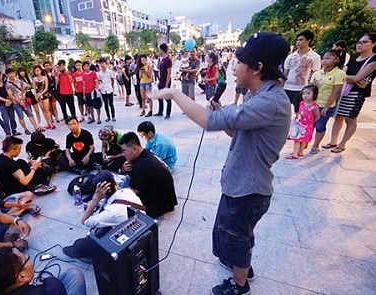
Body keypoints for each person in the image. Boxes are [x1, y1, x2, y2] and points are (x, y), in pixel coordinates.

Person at [156, 32, 291, 295]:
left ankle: (240, 285)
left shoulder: (270, 101)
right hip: (239, 183)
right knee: (230, 234)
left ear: (257, 67)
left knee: (238, 237)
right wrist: (222, 114)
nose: (233, 67)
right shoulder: (260, 94)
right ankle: (242, 265)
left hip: (249, 189)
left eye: (238, 62)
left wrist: (175, 94)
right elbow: (235, 130)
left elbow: (209, 122)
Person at [62, 170, 144, 259]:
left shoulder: (111, 212)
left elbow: (84, 221)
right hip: (139, 231)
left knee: (78, 245)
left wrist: (96, 199)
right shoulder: (127, 191)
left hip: (125, 244)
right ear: (115, 183)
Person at [326, 33, 376, 153]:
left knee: (350, 119)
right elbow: (343, 75)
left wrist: (345, 77)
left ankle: (342, 144)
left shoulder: (373, 60)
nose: (360, 44)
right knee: (338, 117)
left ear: (373, 44)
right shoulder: (354, 59)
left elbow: (355, 78)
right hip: (344, 92)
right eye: (359, 42)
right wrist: (348, 77)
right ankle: (333, 141)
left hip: (357, 94)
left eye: (364, 42)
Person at [0, 247, 86, 295]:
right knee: (75, 275)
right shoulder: (51, 286)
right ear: (22, 277)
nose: (30, 260)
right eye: (26, 257)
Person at [118, 132, 177, 218]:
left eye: (124, 151)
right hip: (166, 198)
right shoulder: (145, 154)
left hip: (159, 205)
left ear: (134, 149)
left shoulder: (142, 166)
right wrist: (123, 169)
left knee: (122, 208)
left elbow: (130, 193)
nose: (123, 154)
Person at [308, 49, 346, 154]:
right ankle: (305, 142)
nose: (324, 61)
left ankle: (315, 145)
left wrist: (326, 107)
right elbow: (309, 89)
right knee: (310, 125)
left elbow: (336, 92)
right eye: (323, 58)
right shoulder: (317, 73)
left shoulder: (339, 74)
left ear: (336, 59)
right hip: (312, 105)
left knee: (320, 126)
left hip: (325, 105)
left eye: (328, 58)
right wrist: (312, 85)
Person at [283, 30, 321, 113]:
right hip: (287, 87)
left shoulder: (315, 57)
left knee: (299, 112)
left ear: (308, 41)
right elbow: (285, 73)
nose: (298, 42)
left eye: (301, 40)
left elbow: (315, 74)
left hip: (302, 89)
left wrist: (311, 90)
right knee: (283, 111)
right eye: (297, 40)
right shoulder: (291, 56)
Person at [286, 85, 320, 159]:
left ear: (314, 94)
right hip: (299, 124)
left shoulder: (314, 106)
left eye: (308, 93)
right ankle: (299, 152)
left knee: (300, 139)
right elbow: (299, 112)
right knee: (299, 139)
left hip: (307, 126)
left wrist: (311, 123)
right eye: (304, 94)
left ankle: (295, 153)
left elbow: (317, 116)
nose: (305, 96)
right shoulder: (301, 103)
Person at [5, 68, 41, 135]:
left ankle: (36, 127)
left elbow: (23, 90)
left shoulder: (19, 81)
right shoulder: (8, 84)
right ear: (7, 75)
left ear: (14, 73)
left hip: (24, 101)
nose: (11, 75)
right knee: (21, 117)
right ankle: (26, 129)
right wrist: (19, 101)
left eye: (12, 73)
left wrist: (24, 95)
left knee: (30, 114)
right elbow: (11, 95)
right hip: (16, 103)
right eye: (9, 74)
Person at [0, 70, 20, 136]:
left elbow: (10, 92)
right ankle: (8, 133)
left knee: (12, 118)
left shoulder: (5, 82)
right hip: (2, 104)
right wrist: (6, 101)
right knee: (6, 119)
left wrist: (9, 100)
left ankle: (14, 131)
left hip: (10, 102)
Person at [32, 65, 54, 129]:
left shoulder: (45, 77)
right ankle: (47, 123)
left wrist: (41, 93)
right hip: (38, 95)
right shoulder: (34, 79)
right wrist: (36, 95)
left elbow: (46, 88)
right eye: (35, 71)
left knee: (47, 109)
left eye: (38, 70)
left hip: (45, 94)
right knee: (43, 110)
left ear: (41, 70)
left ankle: (50, 123)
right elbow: (34, 88)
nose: (37, 72)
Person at [154, 43, 173, 118]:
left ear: (162, 50)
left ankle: (168, 113)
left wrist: (166, 84)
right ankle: (160, 111)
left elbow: (169, 73)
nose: (159, 51)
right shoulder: (162, 59)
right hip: (161, 81)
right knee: (160, 97)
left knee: (167, 98)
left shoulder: (168, 60)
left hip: (166, 82)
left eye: (160, 50)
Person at [97, 57, 116, 122]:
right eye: (100, 63)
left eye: (103, 63)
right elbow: (99, 81)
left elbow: (112, 79)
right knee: (105, 104)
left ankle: (113, 116)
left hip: (109, 89)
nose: (102, 65)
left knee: (111, 104)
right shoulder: (99, 73)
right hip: (103, 90)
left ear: (106, 63)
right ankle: (108, 116)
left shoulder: (110, 72)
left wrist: (112, 87)